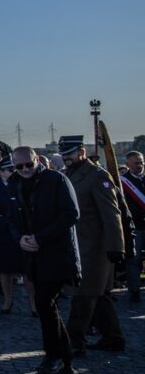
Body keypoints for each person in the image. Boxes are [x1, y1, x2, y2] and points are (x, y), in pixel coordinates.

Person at [12, 145, 79, 374]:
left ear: (37, 160)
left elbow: (71, 214)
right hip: (32, 252)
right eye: (19, 166)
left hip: (56, 252)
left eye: (28, 164)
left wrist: (40, 238)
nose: (24, 169)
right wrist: (20, 238)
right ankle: (64, 356)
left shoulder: (56, 180)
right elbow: (11, 218)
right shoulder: (16, 182)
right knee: (46, 305)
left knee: (44, 302)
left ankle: (54, 356)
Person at [58, 136, 126, 355]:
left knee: (84, 294)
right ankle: (113, 337)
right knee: (100, 295)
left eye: (70, 153)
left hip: (96, 246)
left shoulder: (97, 176)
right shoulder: (69, 175)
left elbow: (111, 214)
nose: (66, 158)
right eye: (64, 154)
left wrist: (117, 247)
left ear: (82, 152)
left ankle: (74, 341)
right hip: (78, 243)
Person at [0, 156, 27, 313]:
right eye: (10, 169)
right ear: (1, 172)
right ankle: (7, 300)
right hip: (2, 231)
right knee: (4, 268)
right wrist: (1, 221)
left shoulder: (22, 184)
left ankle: (33, 302)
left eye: (14, 169)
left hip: (22, 230)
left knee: (26, 268)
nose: (14, 172)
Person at [121, 151, 145, 303]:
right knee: (134, 260)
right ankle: (134, 290)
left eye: (142, 162)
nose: (140, 165)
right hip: (135, 226)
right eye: (136, 163)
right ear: (128, 164)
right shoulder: (123, 182)